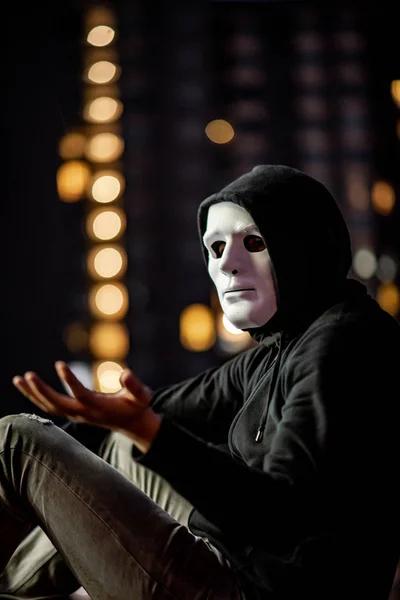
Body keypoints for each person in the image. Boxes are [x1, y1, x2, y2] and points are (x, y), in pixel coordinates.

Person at [1, 164, 399, 600]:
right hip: (232, 560)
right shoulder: (283, 345)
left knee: (14, 440)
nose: (227, 263)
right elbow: (163, 409)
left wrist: (148, 431)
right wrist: (91, 424)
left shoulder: (339, 345)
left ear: (303, 246)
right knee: (119, 447)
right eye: (215, 247)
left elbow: (282, 519)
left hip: (245, 589)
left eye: (254, 242)